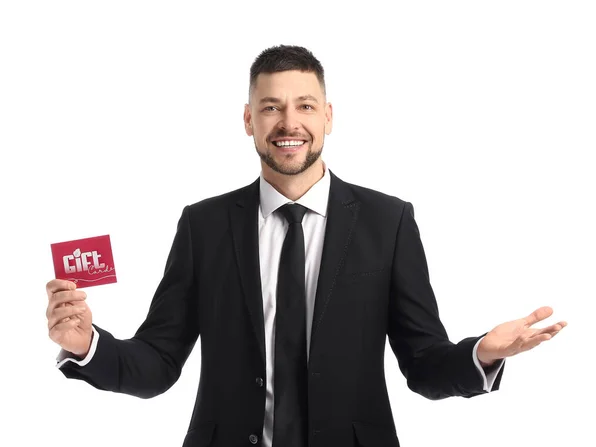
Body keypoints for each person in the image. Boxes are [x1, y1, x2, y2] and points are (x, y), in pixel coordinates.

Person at [45, 44, 567, 447]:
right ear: (249, 120)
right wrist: (87, 346)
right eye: (270, 107)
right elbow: (158, 362)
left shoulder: (389, 221)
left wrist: (480, 354)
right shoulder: (202, 225)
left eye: (305, 106)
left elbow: (424, 364)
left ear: (328, 117)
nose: (288, 122)